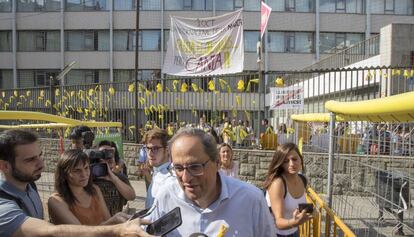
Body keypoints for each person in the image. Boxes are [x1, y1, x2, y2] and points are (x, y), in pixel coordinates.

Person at [0, 129, 153, 237]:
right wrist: (117, 229)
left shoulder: (30, 185)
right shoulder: (3, 206)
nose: (41, 163)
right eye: (30, 159)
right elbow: (52, 232)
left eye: (39, 156)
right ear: (4, 166)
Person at [146, 128, 275, 237]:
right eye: (178, 168)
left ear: (217, 163)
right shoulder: (166, 196)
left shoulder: (251, 200)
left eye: (195, 167)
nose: (185, 178)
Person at [48, 149, 130, 225]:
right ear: (64, 174)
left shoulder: (94, 190)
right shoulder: (56, 201)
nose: (84, 175)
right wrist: (113, 221)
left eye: (86, 168)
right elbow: (81, 233)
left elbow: (108, 220)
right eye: (77, 171)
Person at [263, 143, 313, 237]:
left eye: (294, 159)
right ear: (281, 164)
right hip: (275, 234)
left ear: (300, 160)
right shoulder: (277, 183)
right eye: (286, 161)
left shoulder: (303, 180)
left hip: (294, 231)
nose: (291, 164)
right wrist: (295, 222)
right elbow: (278, 223)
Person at [93, 140, 136, 215]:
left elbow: (131, 196)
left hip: (115, 223)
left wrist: (114, 179)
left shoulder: (120, 178)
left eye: (110, 153)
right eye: (103, 153)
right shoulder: (90, 178)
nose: (108, 156)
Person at [141, 128, 175, 209]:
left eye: (155, 149)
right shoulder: (157, 171)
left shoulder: (171, 178)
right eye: (147, 148)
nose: (150, 153)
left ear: (167, 150)